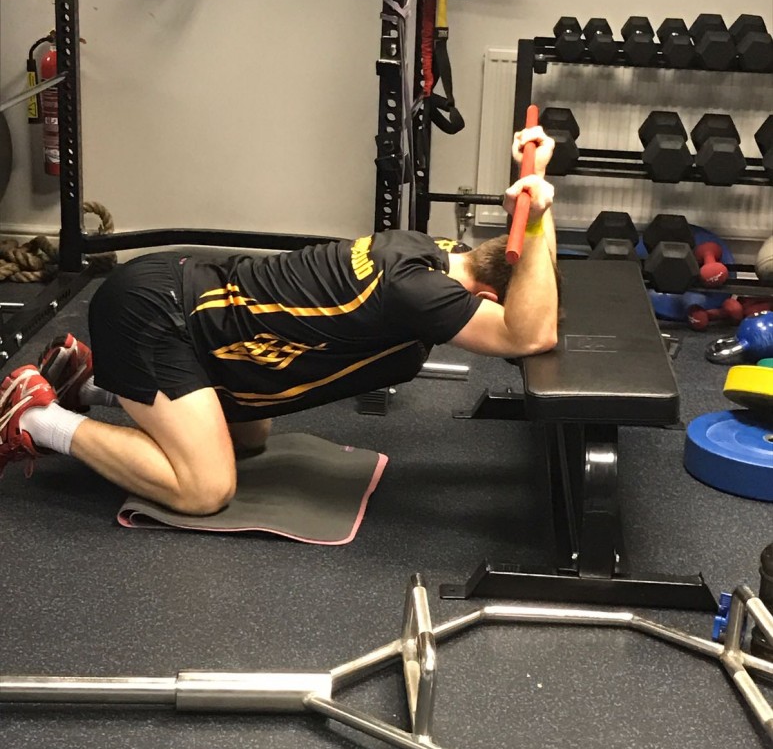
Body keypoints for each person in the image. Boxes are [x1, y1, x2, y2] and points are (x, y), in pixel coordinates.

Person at [0, 127, 559, 514]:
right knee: (205, 488)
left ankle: (90, 382)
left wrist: (537, 198)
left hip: (194, 310)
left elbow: (536, 282)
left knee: (249, 437)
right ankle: (36, 416)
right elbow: (531, 332)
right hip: (155, 315)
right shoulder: (422, 294)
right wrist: (538, 220)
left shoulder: (439, 252)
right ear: (489, 296)